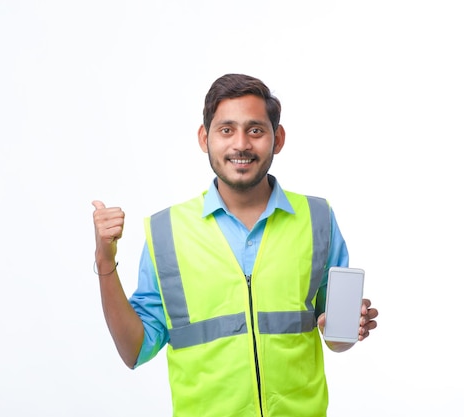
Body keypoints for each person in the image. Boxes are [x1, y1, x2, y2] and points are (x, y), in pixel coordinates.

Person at [91, 73, 378, 417]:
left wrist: (344, 331)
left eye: (255, 130)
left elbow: (334, 336)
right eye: (226, 130)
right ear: (204, 138)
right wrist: (104, 260)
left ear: (278, 138)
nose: (241, 144)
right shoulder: (166, 231)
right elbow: (133, 350)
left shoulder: (317, 218)